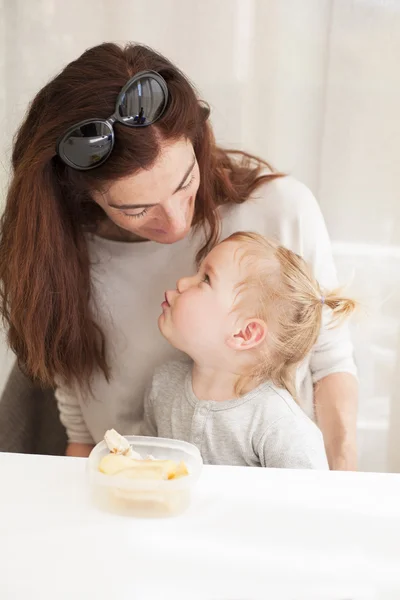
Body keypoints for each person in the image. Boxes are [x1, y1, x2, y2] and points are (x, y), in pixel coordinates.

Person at [0, 43, 358, 468]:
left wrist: (340, 495)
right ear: (82, 194)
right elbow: (77, 419)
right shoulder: (59, 259)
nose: (174, 224)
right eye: (135, 209)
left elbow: (331, 363)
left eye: (186, 181)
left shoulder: (281, 211)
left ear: (197, 138)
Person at [142, 232, 356, 469]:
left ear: (244, 334)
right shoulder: (162, 386)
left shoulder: (280, 426)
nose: (182, 282)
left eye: (206, 279)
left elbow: (309, 502)